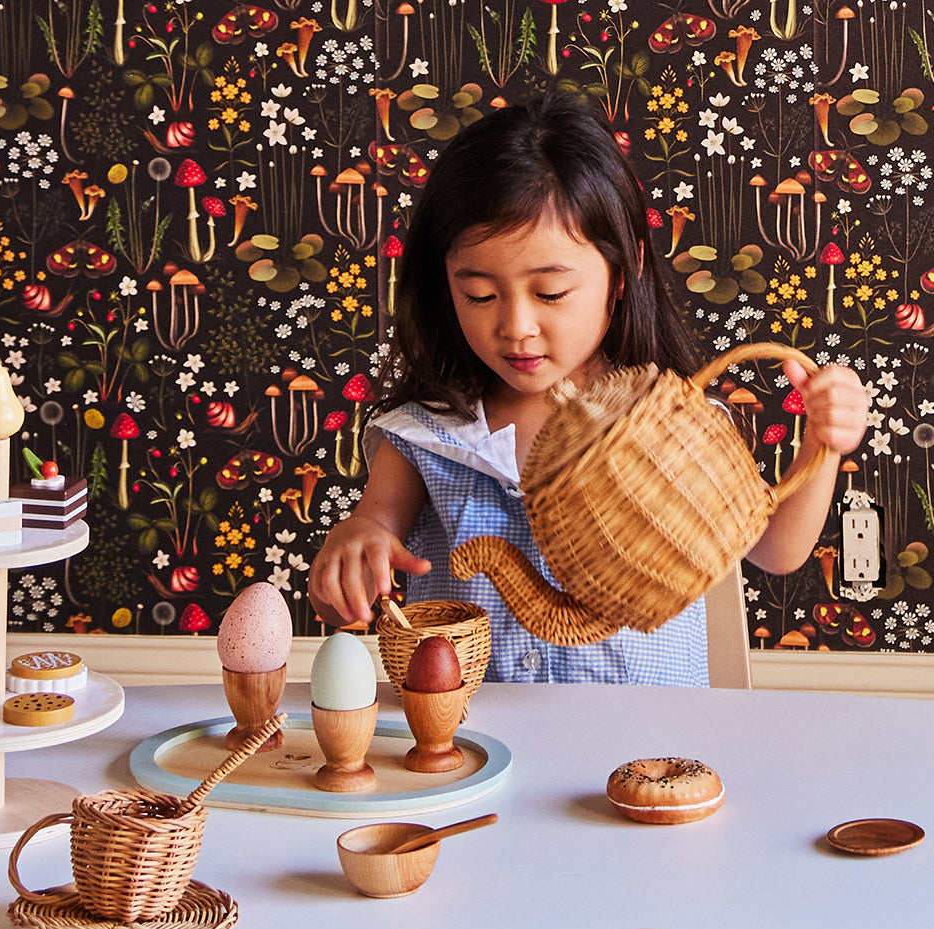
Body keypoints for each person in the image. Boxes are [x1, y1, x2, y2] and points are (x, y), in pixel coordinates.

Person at [308, 90, 869, 684]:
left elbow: (777, 550)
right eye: (479, 294)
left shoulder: (672, 423)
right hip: (473, 749)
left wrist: (822, 444)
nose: (516, 326)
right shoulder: (427, 433)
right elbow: (357, 555)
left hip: (645, 747)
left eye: (550, 292)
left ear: (621, 275)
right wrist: (353, 548)